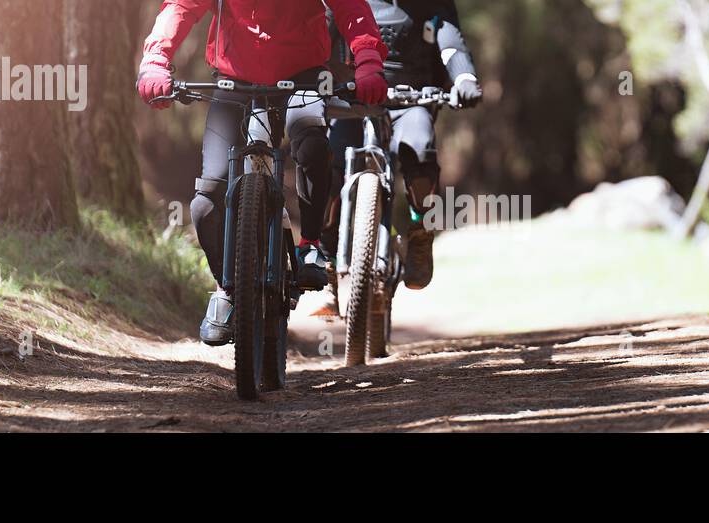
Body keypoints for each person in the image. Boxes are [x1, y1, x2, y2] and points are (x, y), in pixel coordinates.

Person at [136, 0, 390, 345]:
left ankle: (310, 245)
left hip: (303, 77)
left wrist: (368, 60)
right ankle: (227, 288)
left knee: (312, 146)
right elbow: (180, 7)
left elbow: (352, 9)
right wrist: (155, 59)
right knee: (206, 201)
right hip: (234, 81)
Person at [317, 0, 483, 311]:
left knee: (419, 151)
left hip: (411, 101)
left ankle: (421, 231)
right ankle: (326, 264)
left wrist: (464, 78)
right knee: (327, 167)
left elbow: (449, 42)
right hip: (350, 102)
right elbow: (318, 37)